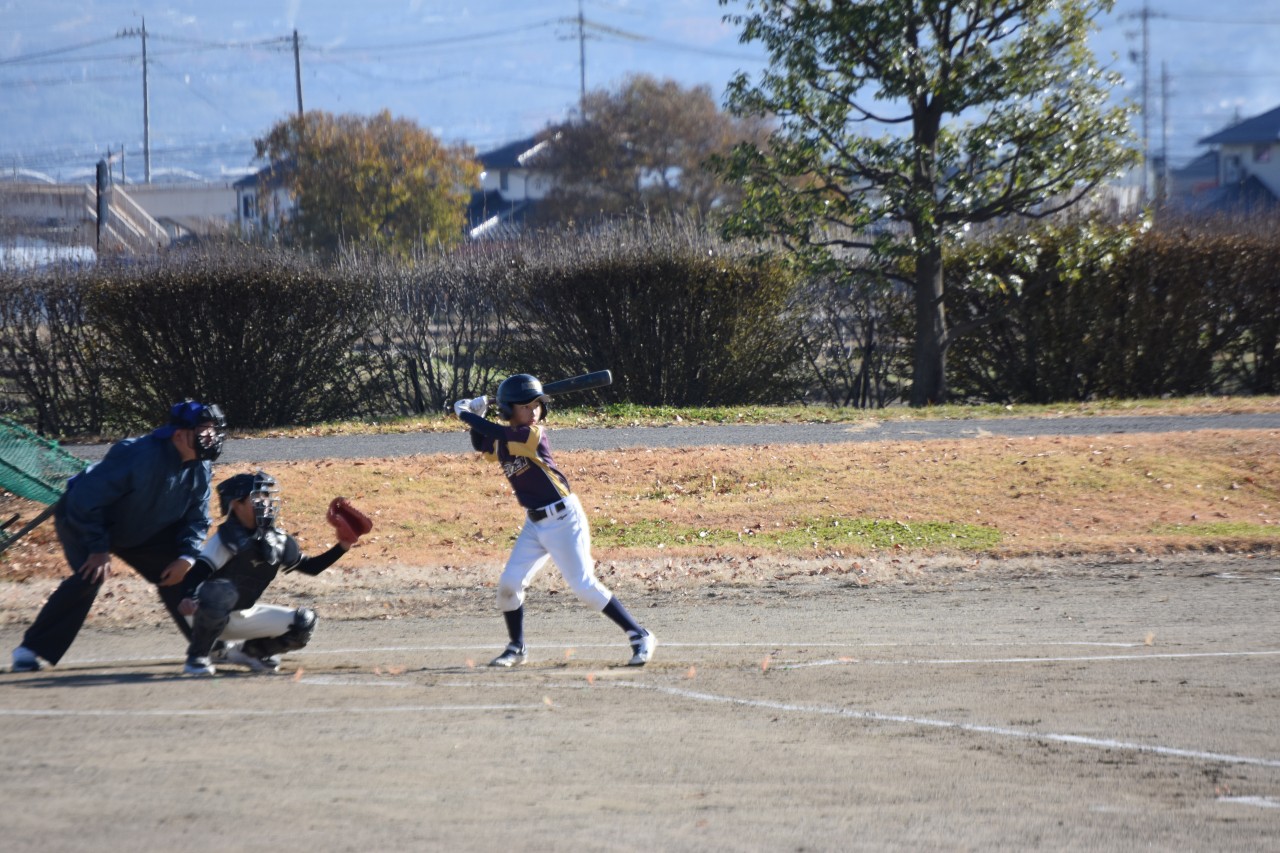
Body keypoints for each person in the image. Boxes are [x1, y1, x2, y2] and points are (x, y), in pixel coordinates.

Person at [453, 373, 656, 667]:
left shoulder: (532, 434)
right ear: (509, 410)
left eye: (537, 404)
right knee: (509, 585)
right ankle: (517, 647)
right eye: (526, 406)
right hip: (535, 524)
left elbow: (494, 432)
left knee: (584, 587)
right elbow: (483, 444)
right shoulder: (505, 437)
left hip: (564, 519)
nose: (533, 411)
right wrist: (477, 416)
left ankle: (639, 635)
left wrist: (465, 414)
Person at [10, 400, 226, 672]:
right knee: (90, 576)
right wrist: (97, 548)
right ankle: (30, 650)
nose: (212, 436)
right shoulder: (137, 454)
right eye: (204, 430)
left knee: (183, 575)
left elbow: (198, 517)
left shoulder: (200, 464)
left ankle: (210, 646)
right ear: (180, 435)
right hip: (84, 518)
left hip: (142, 527)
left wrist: (187, 556)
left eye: (214, 430)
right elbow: (84, 501)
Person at [178, 469, 372, 676]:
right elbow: (197, 573)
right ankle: (198, 656)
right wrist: (188, 597)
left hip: (241, 615)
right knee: (222, 591)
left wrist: (343, 546)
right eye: (257, 497)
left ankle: (250, 653)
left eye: (267, 496)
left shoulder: (277, 540)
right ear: (236, 504)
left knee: (304, 621)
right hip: (202, 613)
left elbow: (311, 568)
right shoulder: (225, 539)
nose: (266, 502)